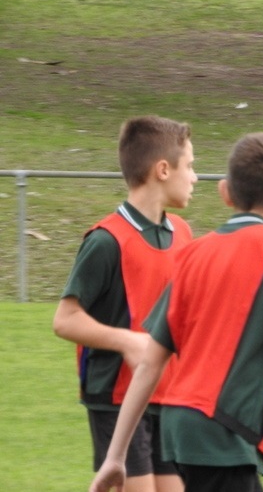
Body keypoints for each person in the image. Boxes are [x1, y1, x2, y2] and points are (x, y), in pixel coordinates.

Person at [89, 132, 263, 492]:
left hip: (179, 427)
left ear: (225, 192)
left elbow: (150, 361)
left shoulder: (195, 252)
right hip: (220, 432)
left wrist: (116, 456)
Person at [53, 115, 197, 492]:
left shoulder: (182, 233)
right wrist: (127, 341)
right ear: (163, 170)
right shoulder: (105, 241)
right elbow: (65, 320)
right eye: (191, 165)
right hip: (117, 399)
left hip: (169, 396)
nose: (196, 177)